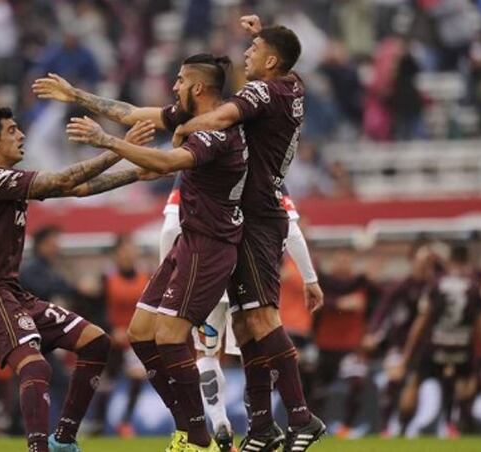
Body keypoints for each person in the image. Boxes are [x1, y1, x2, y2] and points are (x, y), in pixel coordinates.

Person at [35, 53, 241, 452]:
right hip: (189, 241)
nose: (174, 86)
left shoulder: (220, 130)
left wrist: (105, 140)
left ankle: (201, 441)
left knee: (169, 336)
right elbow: (131, 112)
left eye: (180, 80)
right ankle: (188, 430)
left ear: (199, 87)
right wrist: (75, 94)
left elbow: (166, 160)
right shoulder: (189, 119)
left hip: (212, 245)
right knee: (141, 334)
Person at [0, 106, 157, 452]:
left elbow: (76, 191)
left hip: (10, 291)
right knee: (35, 365)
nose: (21, 136)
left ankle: (63, 440)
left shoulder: (6, 182)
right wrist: (118, 148)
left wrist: (136, 174)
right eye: (12, 131)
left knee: (96, 342)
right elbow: (65, 180)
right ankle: (39, 449)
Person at [173, 15, 326, 451]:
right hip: (256, 215)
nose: (246, 54)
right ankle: (261, 427)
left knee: (262, 320)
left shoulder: (263, 90)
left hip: (258, 217)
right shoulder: (293, 85)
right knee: (244, 326)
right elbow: (277, 61)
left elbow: (223, 114)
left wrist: (187, 127)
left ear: (272, 61)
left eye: (253, 50)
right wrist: (261, 32)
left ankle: (301, 416)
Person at [160, 175, 318, 452]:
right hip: (247, 269)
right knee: (255, 345)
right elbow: (291, 228)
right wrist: (310, 277)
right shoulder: (261, 167)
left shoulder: (194, 166)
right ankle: (262, 424)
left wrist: (169, 277)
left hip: (205, 274)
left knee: (207, 354)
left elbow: (171, 227)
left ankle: (223, 424)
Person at [396, 244, 481, 438]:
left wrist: (406, 357)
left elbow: (421, 322)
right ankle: (463, 424)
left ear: (451, 261)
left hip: (436, 343)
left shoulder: (437, 284)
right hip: (462, 344)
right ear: (467, 262)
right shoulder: (473, 285)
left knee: (415, 383)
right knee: (465, 385)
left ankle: (402, 429)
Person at [362, 244, 435, 437]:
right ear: (412, 262)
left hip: (428, 348)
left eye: (428, 262)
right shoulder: (401, 286)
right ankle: (386, 427)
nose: (424, 266)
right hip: (399, 345)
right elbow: (382, 311)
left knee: (414, 392)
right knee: (393, 380)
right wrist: (373, 333)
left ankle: (407, 427)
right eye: (421, 261)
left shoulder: (435, 287)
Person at [310, 251, 379, 438]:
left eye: (346, 261)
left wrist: (371, 334)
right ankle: (316, 427)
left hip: (351, 347)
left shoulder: (363, 286)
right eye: (338, 260)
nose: (342, 265)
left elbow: (380, 306)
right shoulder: (322, 285)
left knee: (356, 382)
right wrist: (339, 304)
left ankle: (346, 427)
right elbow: (315, 302)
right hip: (324, 346)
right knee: (314, 388)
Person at [90, 235, 150, 438]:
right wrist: (109, 329)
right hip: (112, 338)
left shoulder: (146, 277)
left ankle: (125, 422)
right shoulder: (107, 278)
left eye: (132, 249)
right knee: (106, 383)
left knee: (137, 376)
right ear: (117, 253)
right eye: (125, 249)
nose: (130, 253)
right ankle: (98, 423)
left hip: (135, 338)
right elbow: (97, 309)